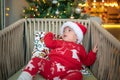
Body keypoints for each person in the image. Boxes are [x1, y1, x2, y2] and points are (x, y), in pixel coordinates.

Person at [17, 21, 98, 80]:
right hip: (52, 67)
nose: (65, 32)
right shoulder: (60, 42)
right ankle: (24, 77)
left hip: (69, 71)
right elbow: (49, 43)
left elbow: (87, 61)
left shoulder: (80, 48)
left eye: (69, 30)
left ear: (77, 36)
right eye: (64, 31)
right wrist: (49, 34)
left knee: (78, 75)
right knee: (36, 60)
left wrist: (93, 53)